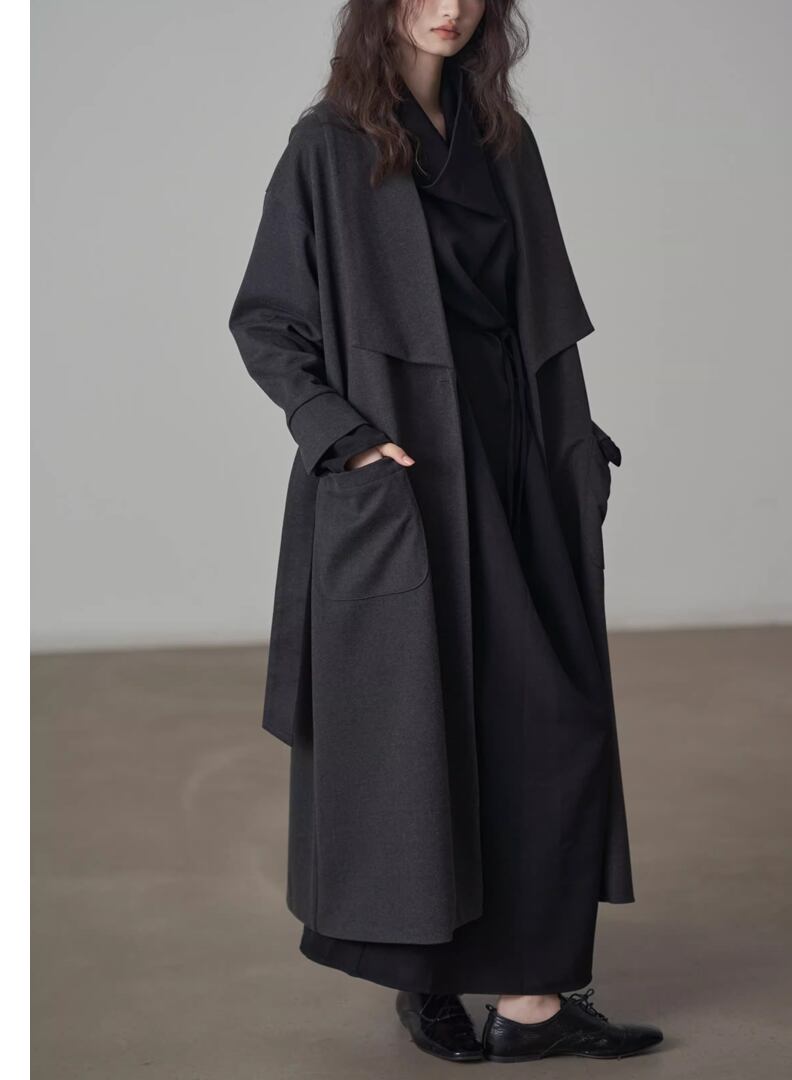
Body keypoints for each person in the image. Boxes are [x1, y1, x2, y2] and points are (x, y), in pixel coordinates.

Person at [228, 0, 663, 1064]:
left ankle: (531, 1004)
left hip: (517, 464)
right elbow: (267, 319)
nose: (449, 7)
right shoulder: (327, 147)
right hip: (409, 477)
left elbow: (531, 315)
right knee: (415, 734)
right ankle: (423, 984)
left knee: (547, 726)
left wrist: (572, 438)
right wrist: (343, 438)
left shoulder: (503, 141)